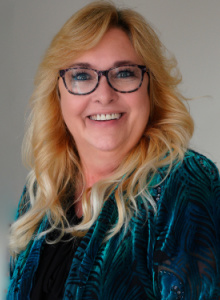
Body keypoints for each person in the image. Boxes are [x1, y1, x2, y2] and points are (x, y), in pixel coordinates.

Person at [7, 1, 220, 299]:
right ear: (57, 93)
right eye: (82, 76)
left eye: (124, 73)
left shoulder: (185, 184)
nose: (104, 95)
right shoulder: (40, 196)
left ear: (150, 88)